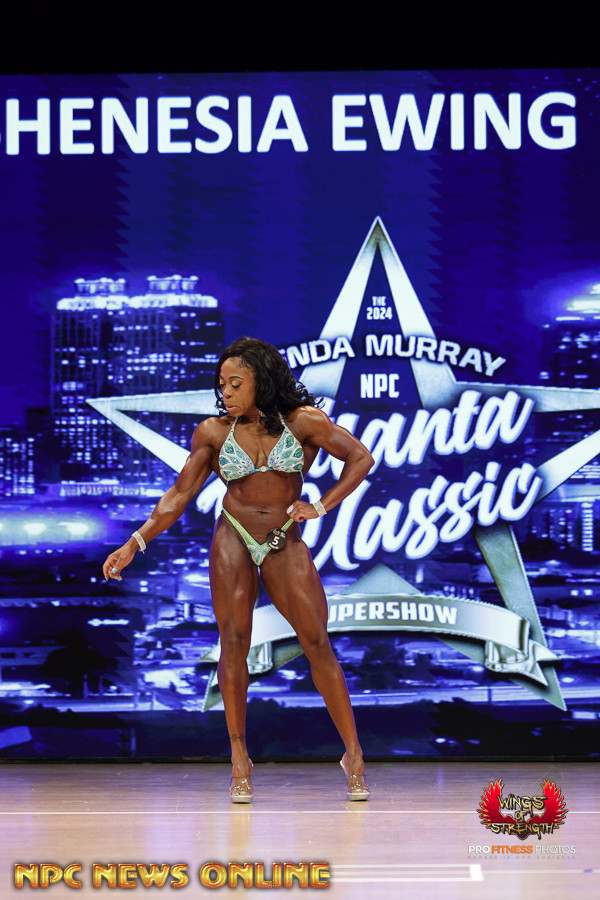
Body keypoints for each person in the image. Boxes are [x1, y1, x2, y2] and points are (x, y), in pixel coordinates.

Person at [103, 337, 374, 802]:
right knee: (233, 643)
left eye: (235, 383)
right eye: (222, 384)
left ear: (260, 382)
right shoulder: (213, 431)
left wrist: (322, 505)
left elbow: (361, 458)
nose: (225, 392)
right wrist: (136, 542)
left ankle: (353, 754)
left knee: (316, 642)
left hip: (283, 539)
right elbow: (178, 495)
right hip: (233, 535)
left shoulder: (304, 421)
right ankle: (238, 758)